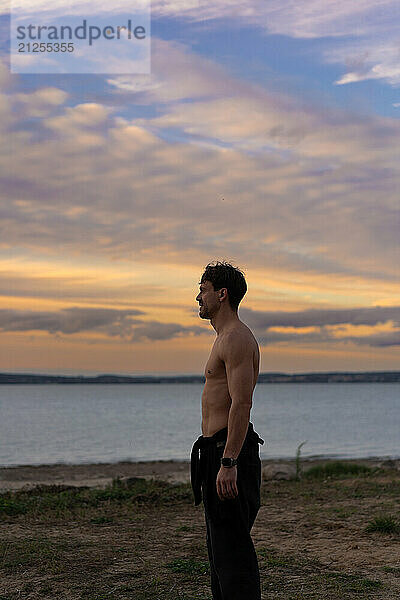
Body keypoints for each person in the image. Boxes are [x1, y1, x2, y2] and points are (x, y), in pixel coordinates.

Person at [191, 260, 264, 600]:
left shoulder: (236, 338)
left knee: (233, 556)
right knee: (220, 555)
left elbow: (241, 404)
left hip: (229, 453)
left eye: (203, 291)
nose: (198, 298)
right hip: (216, 452)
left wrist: (229, 462)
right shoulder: (224, 338)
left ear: (222, 294)